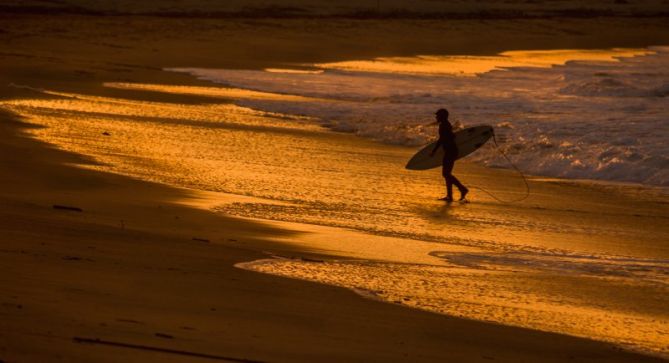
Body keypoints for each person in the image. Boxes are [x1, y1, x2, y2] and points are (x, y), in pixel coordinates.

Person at [429, 108, 468, 202]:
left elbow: (441, 140)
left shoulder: (444, 125)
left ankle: (462, 189)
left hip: (450, 151)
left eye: (438, 115)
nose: (436, 117)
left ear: (442, 116)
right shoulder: (446, 124)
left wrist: (434, 151)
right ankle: (450, 196)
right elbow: (450, 136)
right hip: (450, 151)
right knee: (447, 174)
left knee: (446, 174)